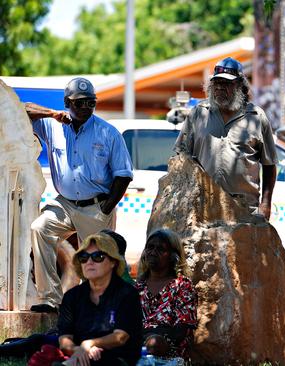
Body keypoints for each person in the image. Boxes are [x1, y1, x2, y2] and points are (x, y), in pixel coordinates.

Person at [25, 77, 133, 313]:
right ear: (67, 102)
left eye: (90, 102)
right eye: (79, 103)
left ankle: (95, 306)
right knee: (39, 228)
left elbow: (123, 175)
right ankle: (50, 299)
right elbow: (23, 110)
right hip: (64, 203)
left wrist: (105, 209)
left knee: (97, 259)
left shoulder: (108, 133)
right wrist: (51, 113)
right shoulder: (52, 125)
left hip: (96, 204)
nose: (85, 107)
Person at [174, 57, 277, 219]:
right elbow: (180, 158)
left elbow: (269, 164)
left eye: (227, 84)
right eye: (217, 83)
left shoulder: (256, 117)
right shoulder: (199, 114)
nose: (220, 88)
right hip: (204, 204)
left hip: (243, 207)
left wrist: (265, 204)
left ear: (240, 87)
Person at [56, 233, 142, 365]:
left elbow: (120, 337)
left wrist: (89, 343)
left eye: (98, 256)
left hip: (118, 358)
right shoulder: (72, 296)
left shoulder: (127, 294)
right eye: (84, 257)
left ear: (113, 261)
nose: (89, 262)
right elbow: (65, 338)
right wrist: (77, 350)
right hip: (82, 355)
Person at [135, 229, 197, 361]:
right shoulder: (137, 288)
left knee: (154, 344)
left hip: (167, 351)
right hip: (137, 345)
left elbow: (181, 331)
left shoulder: (183, 286)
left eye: (160, 249)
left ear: (173, 256)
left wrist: (152, 338)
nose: (153, 252)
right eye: (150, 247)